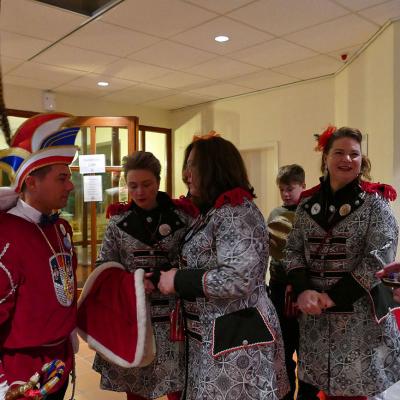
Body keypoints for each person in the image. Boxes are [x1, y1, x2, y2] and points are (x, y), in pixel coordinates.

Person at [158, 135, 289, 400]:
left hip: (237, 340)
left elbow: (238, 279)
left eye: (193, 165)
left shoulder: (237, 211)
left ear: (214, 167)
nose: (186, 174)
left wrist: (179, 280)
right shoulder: (212, 213)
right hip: (213, 337)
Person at [283, 126, 400, 400]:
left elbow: (378, 260)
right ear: (325, 157)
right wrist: (304, 290)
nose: (346, 159)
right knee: (326, 389)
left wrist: (331, 297)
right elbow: (292, 251)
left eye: (354, 154)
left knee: (359, 391)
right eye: (339, 152)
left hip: (360, 321)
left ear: (362, 160)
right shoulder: (306, 204)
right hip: (315, 320)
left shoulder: (376, 204)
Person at [91, 151, 188, 400]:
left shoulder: (183, 219)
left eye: (147, 185)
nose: (140, 192)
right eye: (133, 186)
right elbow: (105, 268)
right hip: (135, 314)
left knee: (180, 386)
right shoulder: (117, 223)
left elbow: (194, 260)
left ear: (158, 181)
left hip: (175, 317)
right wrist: (134, 281)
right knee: (136, 387)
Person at [0, 112, 80, 400]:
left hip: (58, 361)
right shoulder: (6, 233)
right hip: (19, 373)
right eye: (62, 178)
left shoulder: (61, 227)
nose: (70, 186)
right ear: (31, 183)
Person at [267, 164, 319, 400]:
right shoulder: (275, 214)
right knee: (283, 348)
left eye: (290, 189)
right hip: (278, 289)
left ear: (303, 186)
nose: (286, 194)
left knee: (307, 348)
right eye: (282, 190)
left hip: (305, 288)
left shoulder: (310, 213)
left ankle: (307, 396)